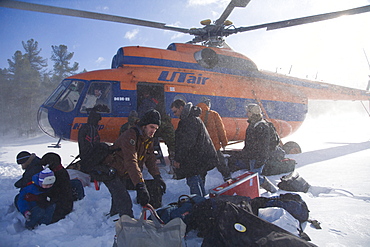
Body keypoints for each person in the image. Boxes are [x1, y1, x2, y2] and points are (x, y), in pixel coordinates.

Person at [102, 109, 166, 217]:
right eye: (151, 127)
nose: (153, 131)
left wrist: (157, 177)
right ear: (144, 125)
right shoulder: (130, 135)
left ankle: (153, 217)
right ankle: (121, 224)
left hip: (126, 173)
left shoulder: (148, 139)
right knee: (124, 202)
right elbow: (131, 161)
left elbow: (150, 159)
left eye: (156, 128)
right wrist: (140, 185)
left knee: (154, 187)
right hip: (113, 172)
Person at [171, 99, 218, 197]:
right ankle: (202, 205)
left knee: (194, 183)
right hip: (199, 159)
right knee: (198, 181)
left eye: (175, 111)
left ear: (181, 108)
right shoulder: (193, 118)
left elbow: (186, 143)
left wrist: (178, 159)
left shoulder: (189, 121)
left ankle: (200, 206)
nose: (175, 115)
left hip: (195, 160)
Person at [241, 103, 278, 193]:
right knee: (254, 175)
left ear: (253, 113)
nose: (247, 114)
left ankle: (272, 190)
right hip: (253, 155)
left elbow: (263, 145)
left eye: (249, 112)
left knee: (256, 176)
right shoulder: (253, 124)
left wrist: (261, 159)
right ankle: (257, 191)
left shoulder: (261, 126)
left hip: (258, 157)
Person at [197, 99, 232, 181]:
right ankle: (228, 179)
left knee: (202, 168)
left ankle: (201, 185)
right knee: (221, 164)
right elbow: (221, 130)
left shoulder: (196, 115)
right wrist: (224, 143)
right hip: (213, 145)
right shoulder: (213, 114)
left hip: (201, 147)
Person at [40, 152, 74, 223]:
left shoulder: (57, 176)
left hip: (60, 207)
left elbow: (55, 194)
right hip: (64, 204)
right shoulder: (60, 172)